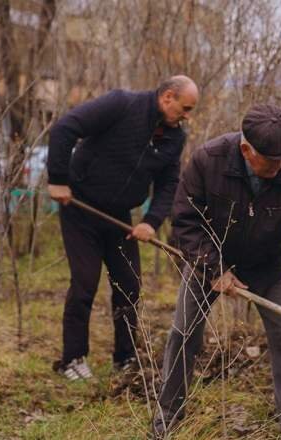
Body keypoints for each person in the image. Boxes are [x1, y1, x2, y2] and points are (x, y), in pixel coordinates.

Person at [154, 104, 281, 440]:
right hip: (206, 263)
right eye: (273, 161)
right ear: (246, 150)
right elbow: (185, 221)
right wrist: (214, 269)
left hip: (267, 266)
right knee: (183, 334)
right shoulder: (208, 160)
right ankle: (166, 422)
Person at [46, 75, 199, 380]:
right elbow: (65, 129)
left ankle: (125, 358)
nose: (187, 116)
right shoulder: (121, 104)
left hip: (119, 217)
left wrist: (151, 222)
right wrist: (58, 179)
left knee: (129, 285)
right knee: (84, 283)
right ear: (168, 97)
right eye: (185, 108)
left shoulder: (174, 137)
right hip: (79, 207)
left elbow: (169, 183)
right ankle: (73, 359)